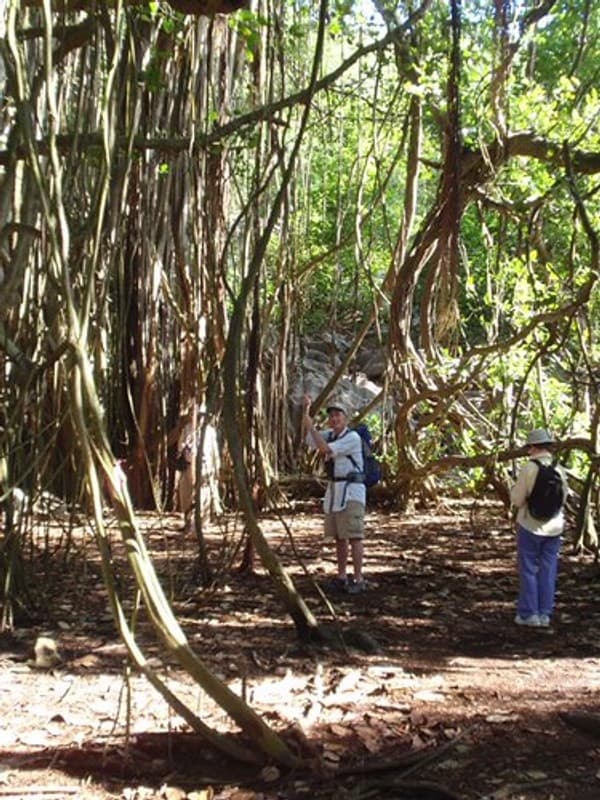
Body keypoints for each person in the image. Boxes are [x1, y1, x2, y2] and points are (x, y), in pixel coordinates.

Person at [303, 394, 367, 594]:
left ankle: (358, 578)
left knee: (354, 536)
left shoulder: (352, 438)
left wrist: (311, 426)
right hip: (335, 491)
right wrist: (306, 411)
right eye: (331, 416)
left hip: (352, 492)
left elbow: (323, 449)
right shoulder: (330, 435)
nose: (334, 419)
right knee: (340, 536)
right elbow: (309, 439)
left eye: (338, 415)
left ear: (346, 418)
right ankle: (341, 577)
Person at [510, 428, 569, 628]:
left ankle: (529, 614)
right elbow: (563, 497)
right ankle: (545, 613)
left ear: (533, 447)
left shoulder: (529, 468)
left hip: (530, 525)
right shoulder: (559, 468)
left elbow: (518, 499)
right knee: (548, 569)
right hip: (554, 527)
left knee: (528, 569)